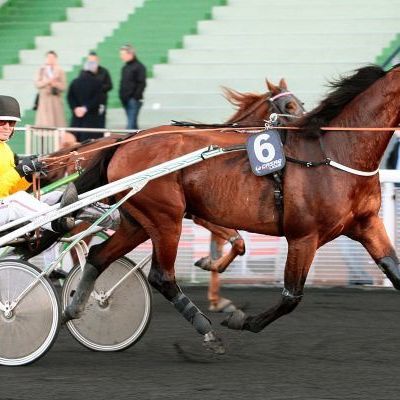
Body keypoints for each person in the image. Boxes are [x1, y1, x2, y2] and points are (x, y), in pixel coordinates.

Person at [67, 61, 103, 142]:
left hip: (77, 119)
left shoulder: (75, 81)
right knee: (89, 143)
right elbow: (97, 99)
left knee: (75, 143)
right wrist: (85, 108)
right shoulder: (97, 83)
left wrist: (75, 108)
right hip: (91, 119)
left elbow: (70, 97)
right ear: (95, 69)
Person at [34, 50, 66, 127]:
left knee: (57, 123)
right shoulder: (41, 70)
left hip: (55, 99)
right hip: (44, 101)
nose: (50, 59)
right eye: (48, 57)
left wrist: (55, 84)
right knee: (44, 123)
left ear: (56, 59)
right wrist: (48, 81)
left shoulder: (60, 70)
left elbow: (64, 86)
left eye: (52, 57)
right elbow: (37, 83)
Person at [119, 44, 146, 130]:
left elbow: (141, 83)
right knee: (133, 124)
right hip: (125, 99)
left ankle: (127, 142)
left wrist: (135, 97)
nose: (121, 57)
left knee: (130, 125)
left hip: (133, 100)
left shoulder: (139, 67)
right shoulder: (125, 67)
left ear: (130, 54)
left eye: (123, 54)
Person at [86, 51, 113, 128]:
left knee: (100, 122)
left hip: (101, 102)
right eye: (90, 61)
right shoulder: (83, 73)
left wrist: (98, 87)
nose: (92, 63)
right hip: (88, 103)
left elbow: (109, 86)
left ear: (97, 60)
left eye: (93, 61)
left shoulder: (104, 71)